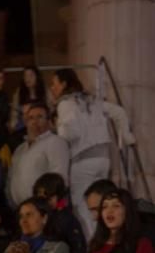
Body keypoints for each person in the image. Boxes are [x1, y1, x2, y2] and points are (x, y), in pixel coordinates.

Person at [50, 68, 134, 241]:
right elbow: (119, 112)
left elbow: (70, 134)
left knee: (84, 209)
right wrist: (126, 136)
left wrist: (59, 128)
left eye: (54, 83)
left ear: (64, 84)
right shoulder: (92, 100)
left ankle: (93, 248)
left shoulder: (65, 104)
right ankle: (111, 244)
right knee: (104, 205)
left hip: (82, 161)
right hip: (103, 159)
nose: (52, 88)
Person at [7, 103, 70, 208]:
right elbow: (10, 178)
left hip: (45, 209)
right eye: (30, 118)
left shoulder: (55, 142)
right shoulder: (20, 149)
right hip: (21, 210)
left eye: (39, 117)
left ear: (48, 121)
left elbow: (59, 176)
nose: (34, 121)